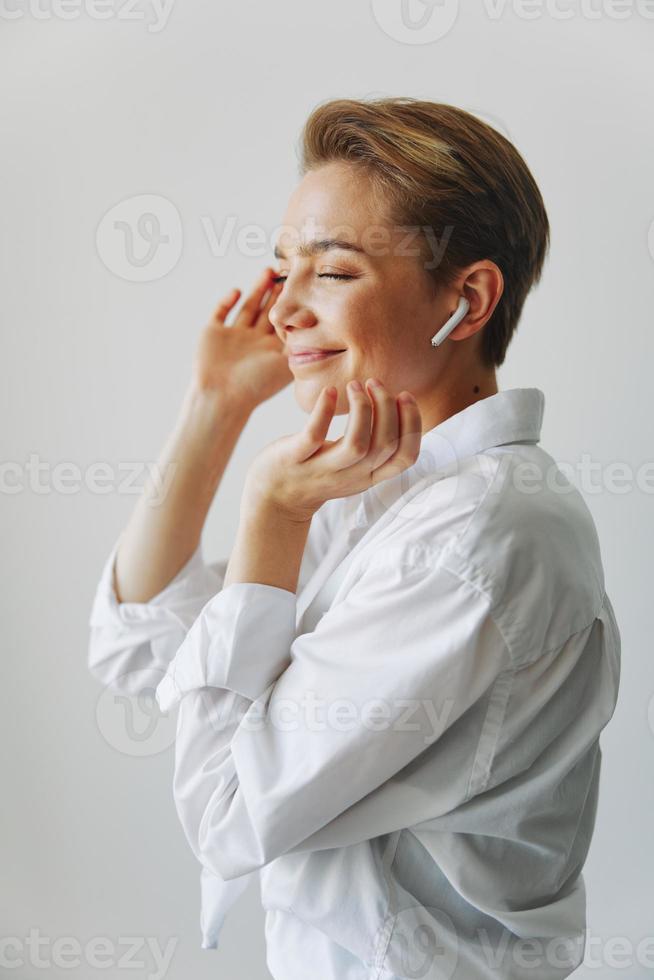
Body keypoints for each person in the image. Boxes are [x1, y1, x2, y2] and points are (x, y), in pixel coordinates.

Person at [87, 98, 621, 979]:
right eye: (281, 269)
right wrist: (215, 410)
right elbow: (140, 648)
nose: (287, 308)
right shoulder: (388, 499)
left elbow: (224, 816)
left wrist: (271, 515)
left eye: (332, 273)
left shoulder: (475, 539)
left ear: (468, 297)